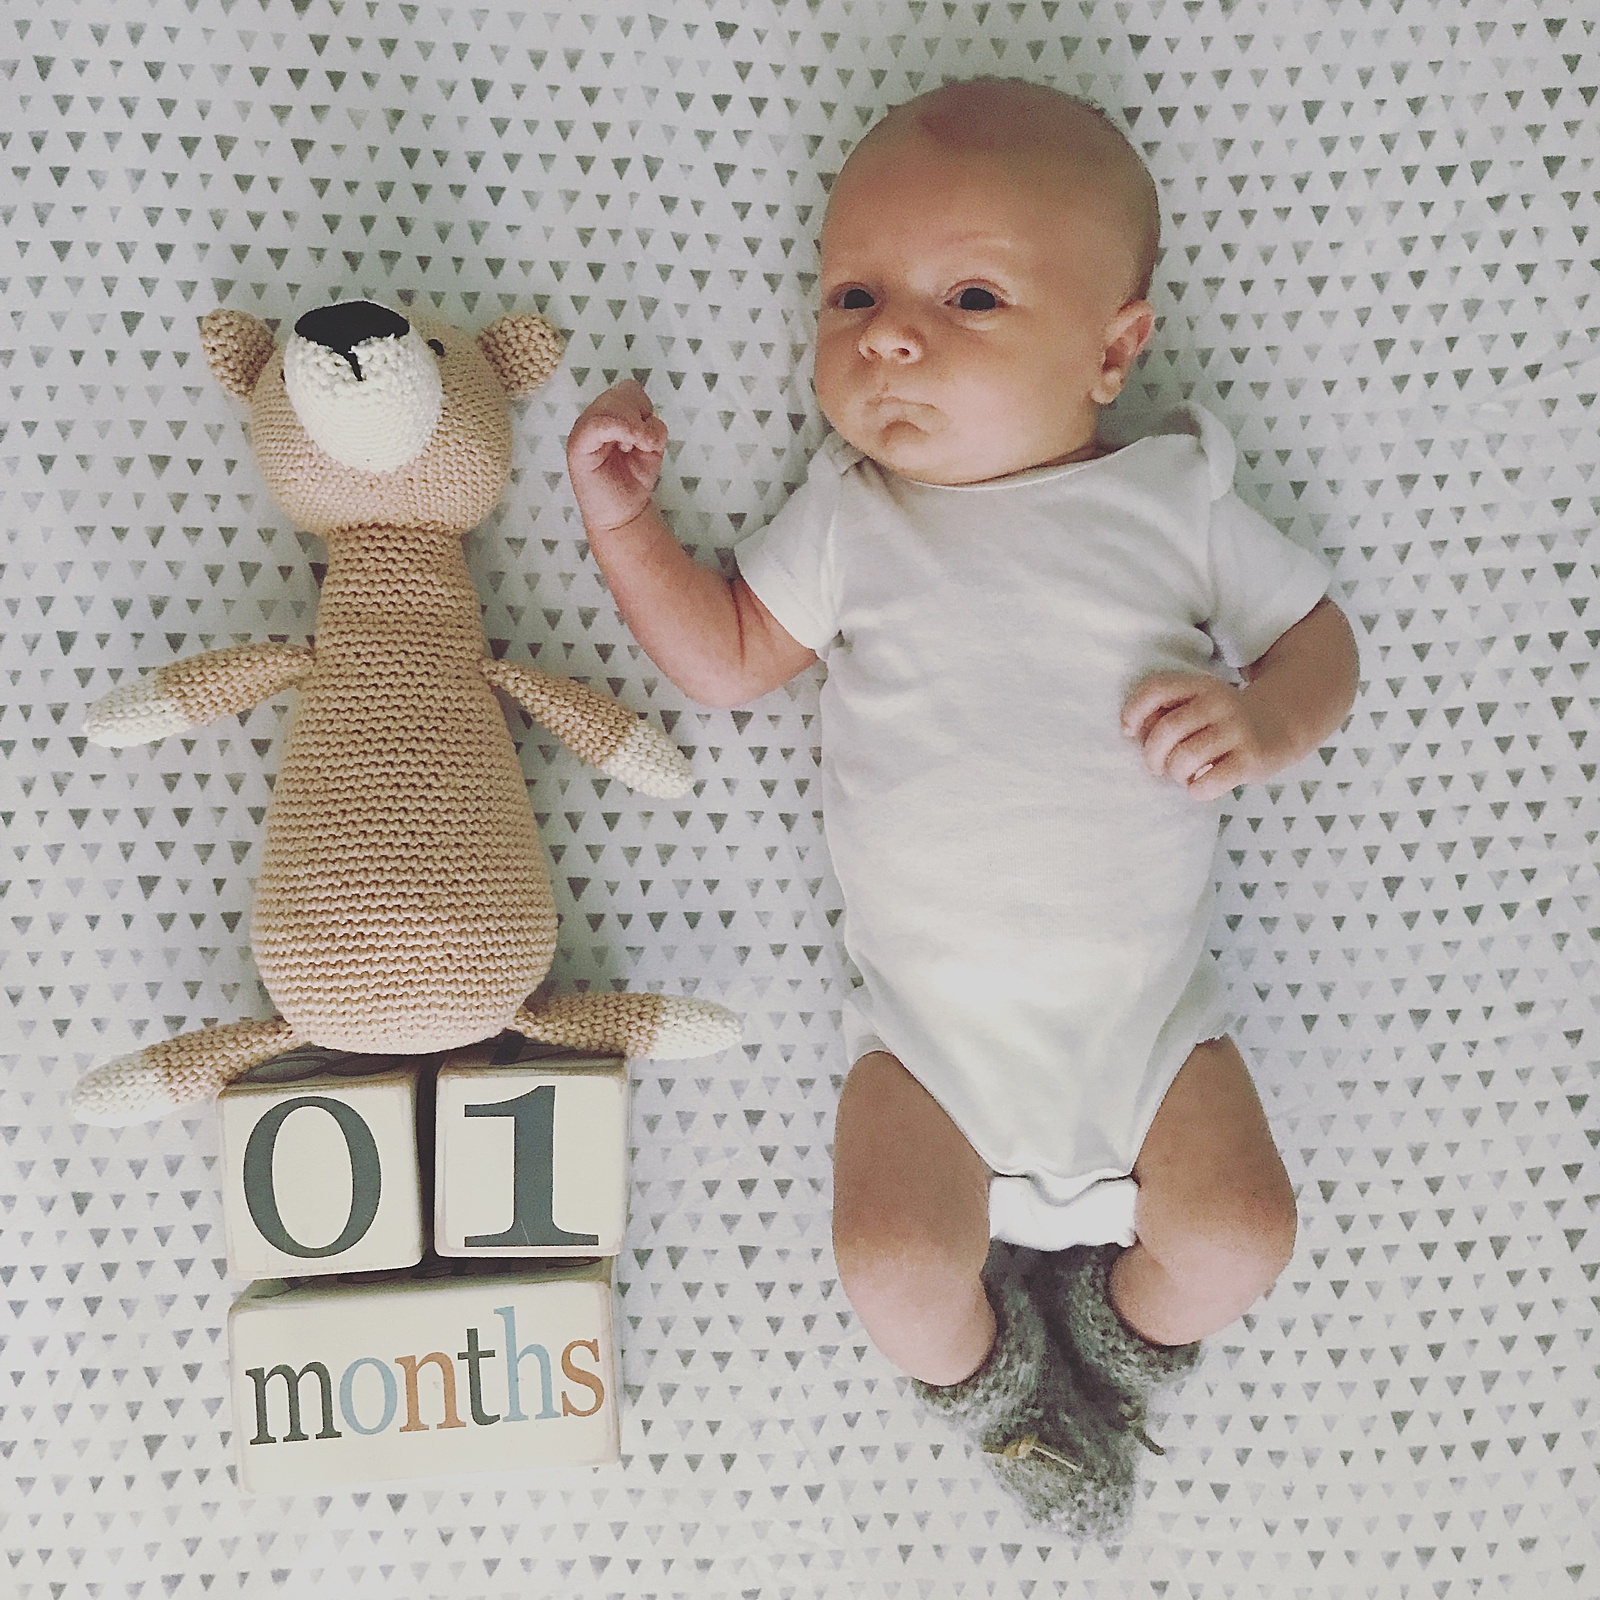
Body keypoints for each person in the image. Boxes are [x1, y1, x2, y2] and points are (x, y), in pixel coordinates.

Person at [565, 76, 1359, 1540]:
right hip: (925, 1045)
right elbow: (732, 657)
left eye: (972, 295)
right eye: (851, 293)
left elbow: (1320, 636)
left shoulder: (1169, 502)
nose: (891, 335)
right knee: (884, 1261)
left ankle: (1118, 1353)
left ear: (1112, 351)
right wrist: (626, 530)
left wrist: (1264, 721)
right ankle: (1008, 1405)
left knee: (1245, 1232)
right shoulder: (857, 518)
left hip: (1149, 1027)